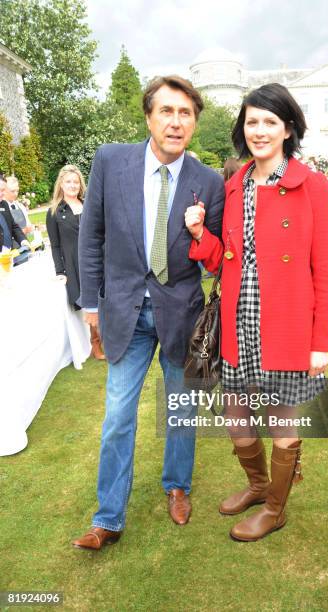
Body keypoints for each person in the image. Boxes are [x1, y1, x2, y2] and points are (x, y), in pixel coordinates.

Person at [73, 75, 224, 550]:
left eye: (185, 114)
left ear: (194, 124)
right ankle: (108, 518)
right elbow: (90, 237)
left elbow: (217, 255)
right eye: (167, 111)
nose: (176, 122)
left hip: (181, 311)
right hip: (124, 311)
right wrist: (91, 304)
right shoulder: (110, 160)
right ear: (149, 117)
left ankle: (177, 485)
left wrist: (199, 235)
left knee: (180, 410)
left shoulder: (208, 181)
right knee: (119, 415)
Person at [187, 83, 328, 542]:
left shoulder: (311, 185)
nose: (260, 130)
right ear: (243, 127)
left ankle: (275, 507)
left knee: (281, 420)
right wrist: (198, 234)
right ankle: (256, 485)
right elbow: (224, 259)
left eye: (270, 121)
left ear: (288, 128)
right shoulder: (235, 185)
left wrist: (320, 343)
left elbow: (323, 271)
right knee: (236, 416)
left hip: (287, 324)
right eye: (252, 121)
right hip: (238, 320)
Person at [46, 165, 105, 360]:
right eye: (68, 182)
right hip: (75, 265)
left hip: (98, 259)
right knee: (89, 302)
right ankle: (95, 343)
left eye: (75, 181)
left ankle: (109, 340)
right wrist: (60, 271)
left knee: (106, 298)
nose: (72, 185)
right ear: (61, 185)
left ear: (80, 185)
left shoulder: (90, 205)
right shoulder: (54, 211)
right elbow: (55, 246)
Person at [0, 175, 29, 251]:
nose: (3, 193)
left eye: (3, 190)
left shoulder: (4, 204)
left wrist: (23, 240)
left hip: (9, 254)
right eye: (1, 190)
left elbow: (13, 226)